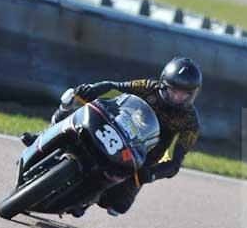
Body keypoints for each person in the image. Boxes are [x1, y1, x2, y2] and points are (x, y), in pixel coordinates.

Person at [20, 57, 202, 216]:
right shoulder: (148, 87)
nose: (178, 97)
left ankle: (87, 198)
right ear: (163, 84)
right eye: (174, 90)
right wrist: (93, 89)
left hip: (139, 158)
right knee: (74, 99)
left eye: (184, 94)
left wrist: (151, 173)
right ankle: (44, 136)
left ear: (193, 94)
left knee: (118, 205)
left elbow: (174, 162)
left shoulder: (190, 123)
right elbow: (116, 88)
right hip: (113, 127)